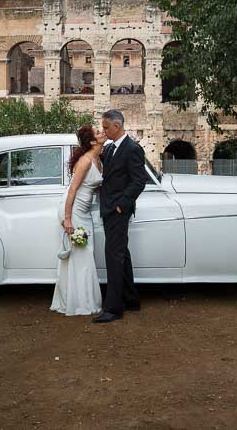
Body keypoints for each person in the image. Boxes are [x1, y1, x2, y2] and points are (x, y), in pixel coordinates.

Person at [94, 109, 147, 324]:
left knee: (113, 257)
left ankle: (113, 308)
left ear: (117, 126)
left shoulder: (132, 149)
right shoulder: (110, 148)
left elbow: (139, 181)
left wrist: (120, 206)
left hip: (117, 211)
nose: (104, 131)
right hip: (109, 209)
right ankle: (131, 299)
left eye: (106, 127)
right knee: (121, 254)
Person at [50, 125, 105, 316]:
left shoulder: (98, 160)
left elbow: (95, 187)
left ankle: (80, 299)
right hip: (73, 211)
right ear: (92, 142)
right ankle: (80, 303)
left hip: (85, 211)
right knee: (82, 254)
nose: (102, 132)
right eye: (98, 132)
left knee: (85, 254)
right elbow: (72, 190)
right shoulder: (85, 161)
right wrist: (67, 219)